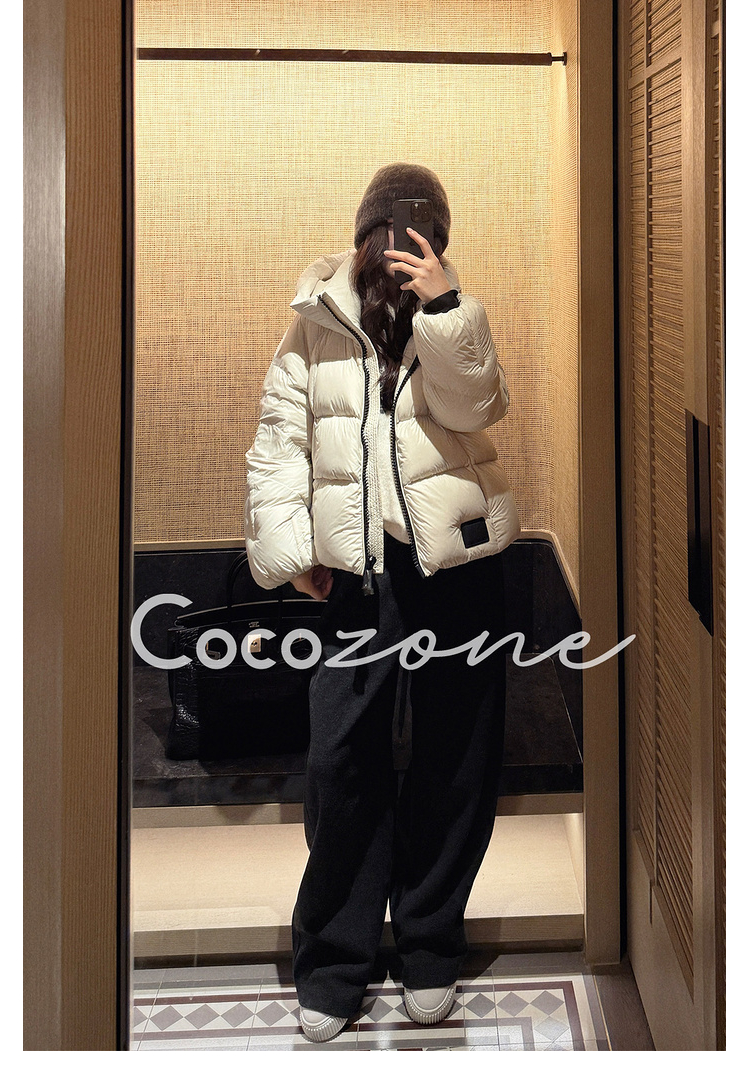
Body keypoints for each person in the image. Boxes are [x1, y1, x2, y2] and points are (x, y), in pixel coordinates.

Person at [245, 163, 520, 1043]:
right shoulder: (315, 320)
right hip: (352, 575)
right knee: (342, 763)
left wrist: (446, 309)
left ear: (441, 239)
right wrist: (292, 556)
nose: (405, 246)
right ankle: (335, 960)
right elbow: (280, 440)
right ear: (363, 235)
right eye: (391, 230)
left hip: (455, 567)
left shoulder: (454, 312)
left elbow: (479, 407)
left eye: (424, 231)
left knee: (455, 758)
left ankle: (431, 945)